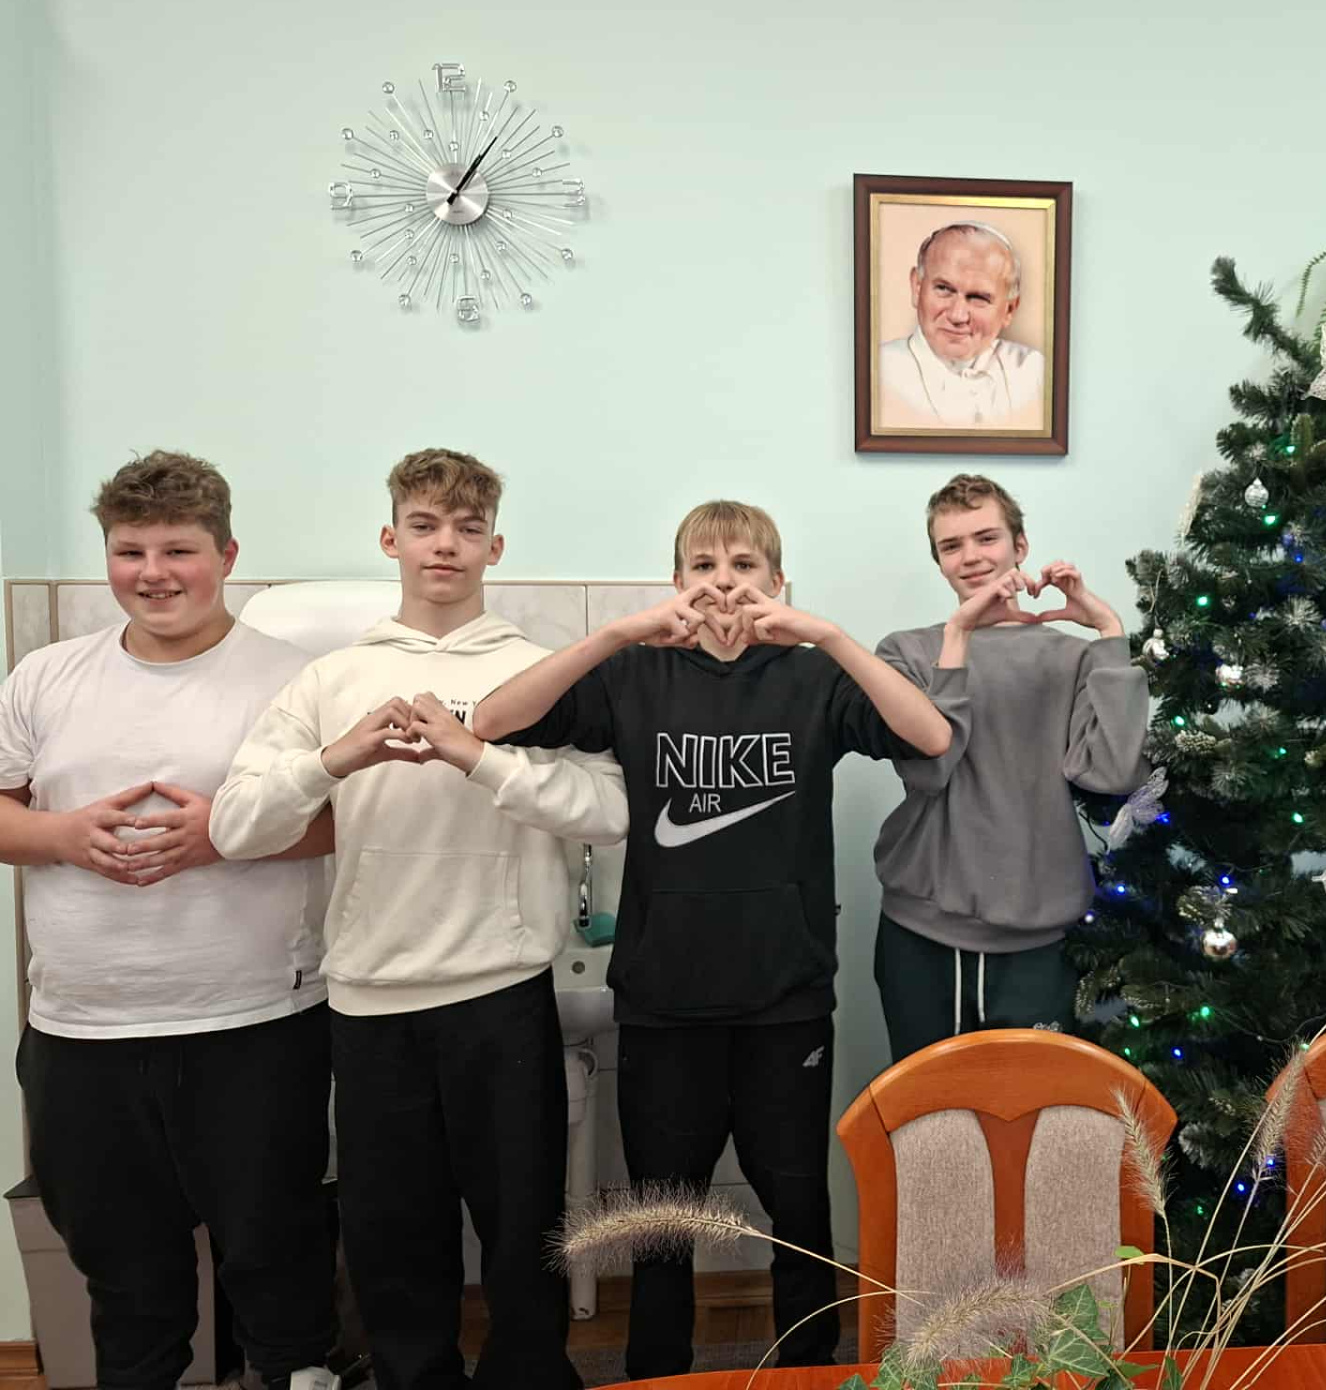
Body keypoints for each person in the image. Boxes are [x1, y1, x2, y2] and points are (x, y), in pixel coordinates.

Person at [469, 500, 954, 1381]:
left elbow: (929, 735)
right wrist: (618, 634)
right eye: (703, 566)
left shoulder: (813, 677)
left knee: (799, 1211)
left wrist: (827, 634)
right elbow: (492, 721)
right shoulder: (634, 675)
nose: (723, 582)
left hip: (785, 999)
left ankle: (807, 1369)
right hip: (664, 1002)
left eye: (744, 565)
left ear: (777, 582)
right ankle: (662, 1374)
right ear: (677, 583)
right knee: (662, 1222)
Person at [211, 449, 627, 1390]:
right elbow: (236, 827)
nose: (446, 546)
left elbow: (610, 811)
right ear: (390, 538)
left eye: (468, 529)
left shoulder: (539, 672)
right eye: (426, 526)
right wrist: (337, 759)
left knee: (525, 1234)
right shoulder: (333, 678)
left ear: (495, 548)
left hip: (503, 991)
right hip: (370, 1000)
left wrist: (479, 756)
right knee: (393, 1240)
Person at [0, 451, 340, 1390]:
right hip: (83, 1030)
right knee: (127, 1282)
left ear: (226, 555)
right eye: (130, 551)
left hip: (254, 1023)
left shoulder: (296, 680)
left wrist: (224, 836)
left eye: (178, 550)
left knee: (278, 1258)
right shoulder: (45, 676)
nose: (153, 574)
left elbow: (348, 820)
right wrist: (64, 835)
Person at [870, 474, 1150, 1060]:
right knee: (927, 1107)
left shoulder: (1072, 656)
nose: (971, 556)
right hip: (923, 931)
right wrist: (958, 635)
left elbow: (1114, 774)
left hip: (1039, 935)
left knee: (1036, 1108)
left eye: (986, 538)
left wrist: (1109, 633)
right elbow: (928, 772)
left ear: (1019, 546)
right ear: (939, 563)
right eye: (951, 546)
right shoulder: (905, 652)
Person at [878, 222, 1045, 430]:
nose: (958, 316)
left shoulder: (1034, 373)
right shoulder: (877, 371)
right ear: (917, 287)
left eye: (978, 298)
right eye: (944, 289)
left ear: (1009, 310)